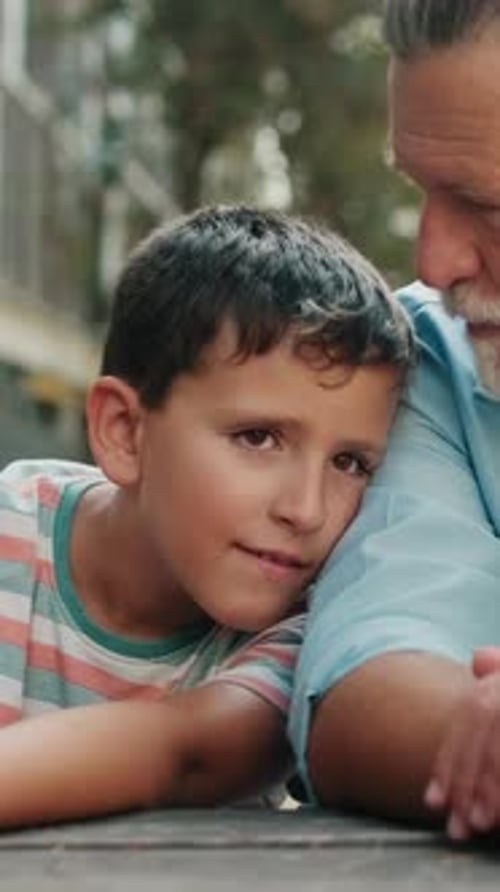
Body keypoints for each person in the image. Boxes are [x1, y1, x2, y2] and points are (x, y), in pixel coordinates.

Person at [0, 205, 414, 828]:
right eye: (257, 437)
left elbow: (187, 754)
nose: (305, 510)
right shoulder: (12, 528)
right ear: (125, 432)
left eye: (351, 462)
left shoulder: (311, 633)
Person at [289, 0, 500, 843]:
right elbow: (360, 685)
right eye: (420, 192)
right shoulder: (427, 359)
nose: (432, 261)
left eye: (486, 204)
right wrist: (473, 737)